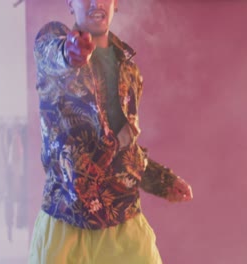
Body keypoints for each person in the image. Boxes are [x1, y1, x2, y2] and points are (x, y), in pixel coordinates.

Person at [28, 0, 193, 263]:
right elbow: (55, 54)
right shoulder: (53, 41)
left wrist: (161, 180)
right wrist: (70, 53)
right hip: (65, 223)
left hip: (124, 225)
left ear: (117, 4)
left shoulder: (129, 71)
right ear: (70, 3)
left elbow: (122, 151)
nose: (96, 2)